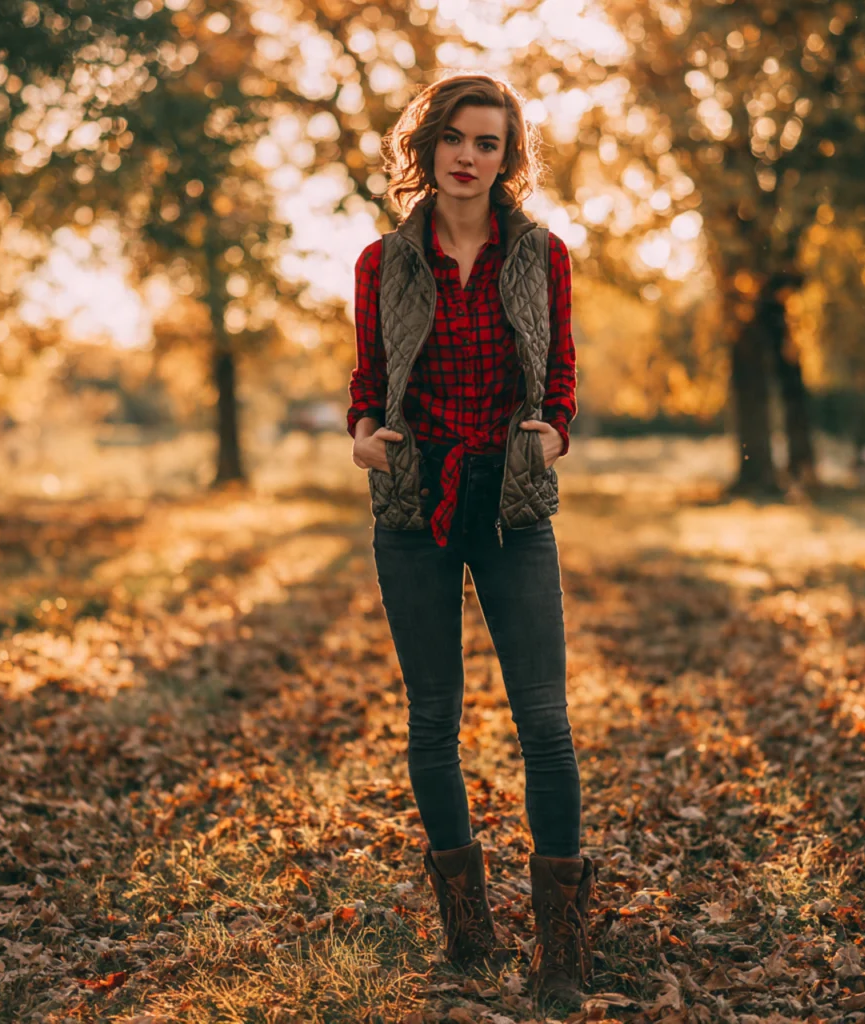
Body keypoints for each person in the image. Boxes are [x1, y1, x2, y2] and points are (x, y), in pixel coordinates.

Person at [346, 72, 596, 1000]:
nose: (467, 155)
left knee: (545, 722)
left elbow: (561, 368)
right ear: (428, 147)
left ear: (507, 157)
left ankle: (563, 947)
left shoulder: (541, 253)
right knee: (433, 722)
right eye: (453, 136)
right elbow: (367, 381)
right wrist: (365, 435)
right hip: (415, 505)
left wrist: (555, 432)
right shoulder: (383, 262)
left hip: (512, 504)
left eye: (487, 142)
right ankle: (469, 934)